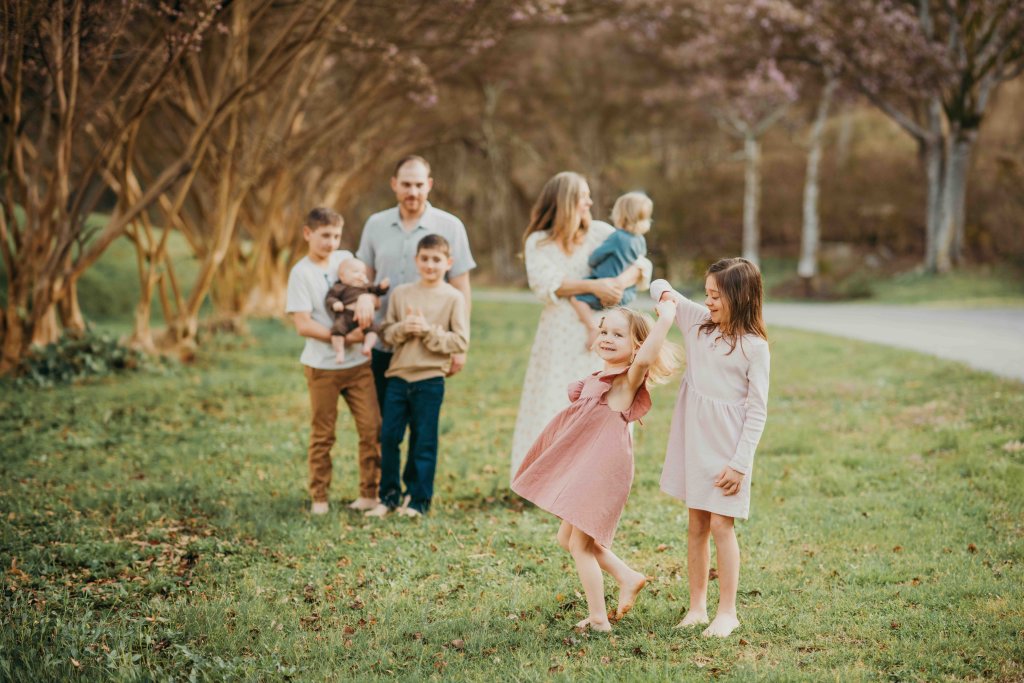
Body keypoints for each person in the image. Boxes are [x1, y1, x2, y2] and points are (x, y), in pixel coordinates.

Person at [512, 302, 680, 632]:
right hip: (585, 467)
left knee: (579, 545)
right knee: (567, 538)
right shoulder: (596, 377)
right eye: (604, 331)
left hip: (603, 472)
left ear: (636, 346)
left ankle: (599, 619)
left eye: (619, 334)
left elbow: (646, 359)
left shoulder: (624, 382)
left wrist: (667, 318)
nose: (607, 338)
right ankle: (627, 576)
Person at [651, 258, 771, 638]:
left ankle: (728, 611)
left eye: (716, 296)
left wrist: (740, 464)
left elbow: (757, 411)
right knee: (697, 524)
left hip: (729, 449)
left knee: (722, 524)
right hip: (695, 443)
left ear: (740, 297)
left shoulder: (755, 348)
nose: (709, 302)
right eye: (706, 294)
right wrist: (668, 298)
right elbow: (657, 283)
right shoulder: (698, 324)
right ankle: (697, 606)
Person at [509, 171, 652, 482]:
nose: (589, 202)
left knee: (601, 398)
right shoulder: (539, 242)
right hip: (559, 332)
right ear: (565, 202)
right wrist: (595, 285)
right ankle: (542, 476)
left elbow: (642, 264)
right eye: (583, 197)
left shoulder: (601, 233)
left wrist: (616, 283)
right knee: (552, 397)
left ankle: (596, 475)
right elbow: (545, 284)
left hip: (603, 332)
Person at [356, 155, 475, 412]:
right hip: (383, 340)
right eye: (406, 184)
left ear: (429, 184)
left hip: (428, 347)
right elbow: (364, 277)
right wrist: (364, 298)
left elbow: (461, 287)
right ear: (394, 184)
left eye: (419, 185)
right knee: (382, 424)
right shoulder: (375, 225)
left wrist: (460, 347)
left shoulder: (451, 226)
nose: (413, 191)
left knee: (423, 428)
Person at [285, 208, 383, 515]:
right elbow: (303, 325)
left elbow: (369, 292)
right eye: (325, 235)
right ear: (308, 234)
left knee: (372, 428)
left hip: (357, 367)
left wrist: (368, 299)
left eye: (336, 236)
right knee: (323, 433)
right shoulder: (301, 273)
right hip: (323, 368)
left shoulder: (346, 258)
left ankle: (369, 493)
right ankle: (319, 497)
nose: (331, 242)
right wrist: (342, 336)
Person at [365, 234, 469, 518]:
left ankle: (417, 500)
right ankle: (387, 497)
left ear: (448, 263)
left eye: (436, 260)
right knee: (388, 437)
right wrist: (403, 329)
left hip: (430, 379)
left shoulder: (453, 298)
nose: (430, 265)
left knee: (423, 440)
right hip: (398, 376)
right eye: (425, 259)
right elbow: (386, 333)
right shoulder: (401, 294)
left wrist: (426, 331)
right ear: (416, 261)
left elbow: (460, 341)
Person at [569, 191, 653, 351]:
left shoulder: (617, 237)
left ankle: (592, 328)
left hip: (605, 287)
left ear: (621, 215)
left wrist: (591, 258)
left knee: (576, 299)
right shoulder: (640, 240)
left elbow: (595, 258)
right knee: (615, 319)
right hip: (627, 292)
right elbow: (640, 261)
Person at [325, 258, 390, 362]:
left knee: (373, 330)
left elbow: (376, 291)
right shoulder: (339, 287)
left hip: (364, 318)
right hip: (345, 316)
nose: (361, 275)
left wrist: (382, 287)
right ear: (342, 276)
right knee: (337, 330)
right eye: (356, 272)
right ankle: (339, 351)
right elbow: (330, 298)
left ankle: (367, 347)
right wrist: (335, 303)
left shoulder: (365, 286)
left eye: (363, 273)